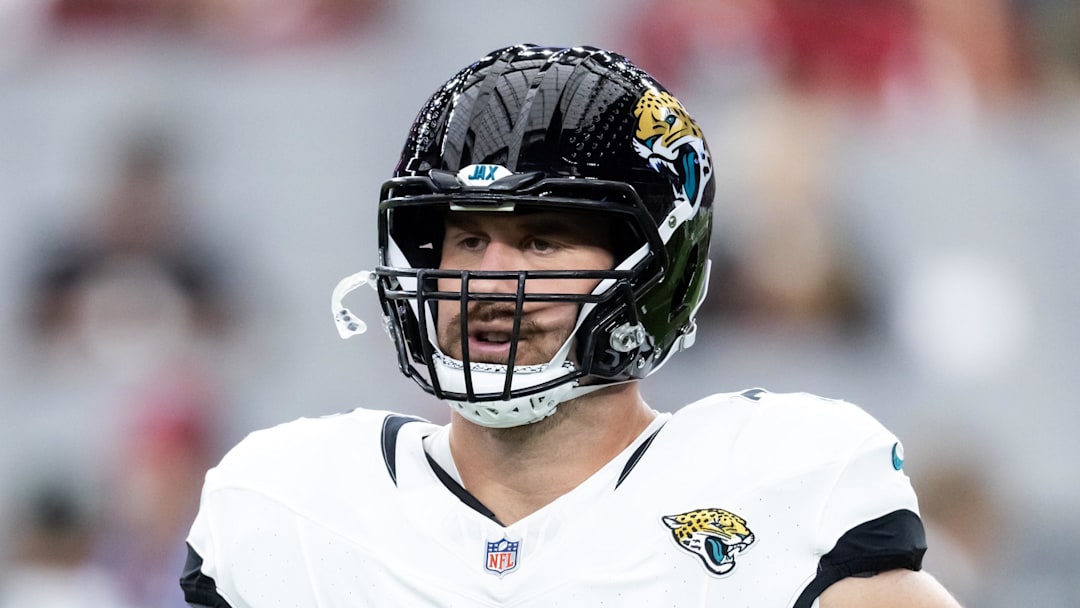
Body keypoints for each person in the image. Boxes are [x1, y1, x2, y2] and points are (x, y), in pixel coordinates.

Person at [180, 44, 961, 607]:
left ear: (654, 273)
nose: (487, 282)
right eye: (467, 240)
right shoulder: (293, 503)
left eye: (541, 242)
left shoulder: (776, 489)